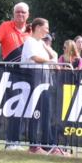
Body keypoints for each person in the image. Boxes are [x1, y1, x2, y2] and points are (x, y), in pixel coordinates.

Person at [0, 2, 31, 150]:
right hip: (11, 73)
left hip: (29, 74)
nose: (20, 15)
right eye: (17, 12)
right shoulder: (5, 26)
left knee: (25, 108)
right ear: (13, 14)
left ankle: (18, 141)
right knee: (14, 106)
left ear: (28, 14)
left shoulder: (31, 30)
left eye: (23, 12)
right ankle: (11, 142)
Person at [20, 17, 63, 155]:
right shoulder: (30, 42)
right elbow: (36, 58)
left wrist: (46, 46)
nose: (48, 30)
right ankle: (34, 146)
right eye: (46, 27)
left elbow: (54, 55)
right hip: (34, 79)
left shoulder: (39, 43)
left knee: (46, 113)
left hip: (44, 79)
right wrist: (51, 61)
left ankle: (47, 145)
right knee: (36, 112)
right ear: (38, 27)